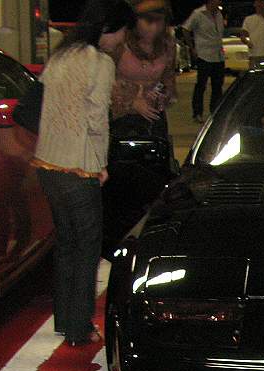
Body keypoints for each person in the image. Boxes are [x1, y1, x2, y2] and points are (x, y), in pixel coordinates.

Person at [31, 0, 134, 347]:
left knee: (66, 244)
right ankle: (79, 328)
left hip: (47, 162)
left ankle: (64, 319)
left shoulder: (61, 55)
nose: (122, 39)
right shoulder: (100, 62)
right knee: (87, 248)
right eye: (122, 31)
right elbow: (96, 118)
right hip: (79, 165)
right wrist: (100, 165)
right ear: (108, 28)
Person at [110, 0, 176, 139]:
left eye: (160, 22)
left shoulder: (167, 45)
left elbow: (168, 80)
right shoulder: (120, 44)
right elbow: (105, 81)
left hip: (152, 115)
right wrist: (131, 101)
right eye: (148, 22)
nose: (154, 28)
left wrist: (159, 95)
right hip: (120, 117)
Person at [182, 0, 226, 123]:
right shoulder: (198, 13)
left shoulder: (219, 14)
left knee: (217, 86)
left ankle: (215, 111)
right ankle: (197, 112)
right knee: (201, 85)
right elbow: (186, 29)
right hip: (204, 54)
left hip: (218, 55)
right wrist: (192, 47)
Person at [241, 0, 264, 68]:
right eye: (257, 2)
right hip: (254, 54)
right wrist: (247, 42)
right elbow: (243, 35)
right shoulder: (248, 19)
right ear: (254, 4)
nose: (259, 4)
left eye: (261, 2)